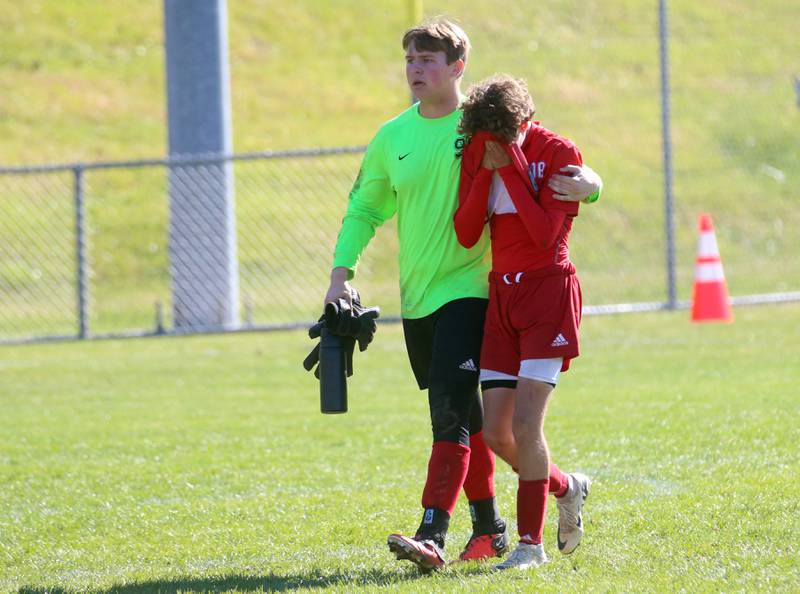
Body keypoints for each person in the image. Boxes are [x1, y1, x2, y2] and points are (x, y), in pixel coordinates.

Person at [323, 19, 601, 572]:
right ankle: (498, 522)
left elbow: (541, 146)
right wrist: (340, 274)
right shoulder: (393, 137)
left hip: (476, 291)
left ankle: (435, 532)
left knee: (451, 411)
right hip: (418, 295)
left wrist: (593, 183)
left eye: (428, 60)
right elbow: (365, 208)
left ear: (458, 68)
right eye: (410, 60)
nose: (416, 70)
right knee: (479, 425)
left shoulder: (480, 123)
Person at [454, 74, 592, 571]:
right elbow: (468, 234)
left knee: (529, 425)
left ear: (525, 121)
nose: (490, 142)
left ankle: (529, 547)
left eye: (501, 133)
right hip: (502, 296)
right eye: (483, 134)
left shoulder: (556, 151)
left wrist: (509, 167)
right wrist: (487, 170)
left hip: (547, 293)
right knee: (496, 433)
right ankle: (567, 486)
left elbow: (542, 236)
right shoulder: (481, 149)